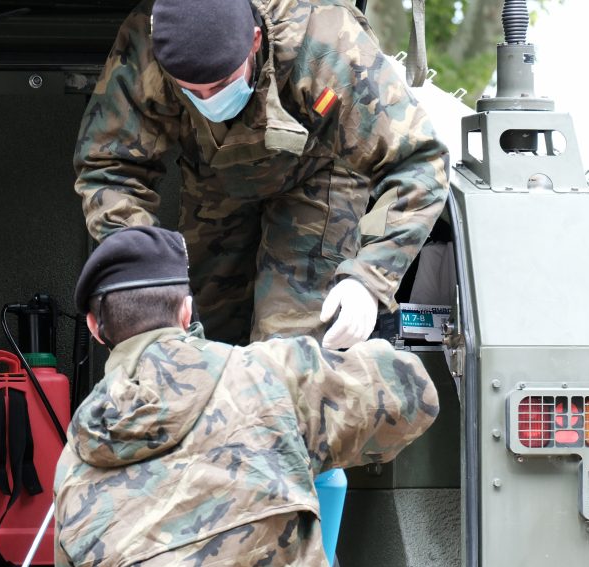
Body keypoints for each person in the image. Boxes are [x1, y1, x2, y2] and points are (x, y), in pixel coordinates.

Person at [53, 226, 440, 567]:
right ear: (187, 311)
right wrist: (363, 291)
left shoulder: (75, 459)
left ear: (94, 327)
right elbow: (414, 393)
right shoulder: (275, 373)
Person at [73, 0, 450, 349]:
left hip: (318, 175)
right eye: (191, 91)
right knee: (193, 339)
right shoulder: (147, 44)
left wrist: (370, 276)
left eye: (220, 85)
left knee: (287, 353)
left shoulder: (327, 43)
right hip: (215, 176)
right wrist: (145, 274)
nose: (208, 100)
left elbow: (419, 161)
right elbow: (108, 169)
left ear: (254, 42)